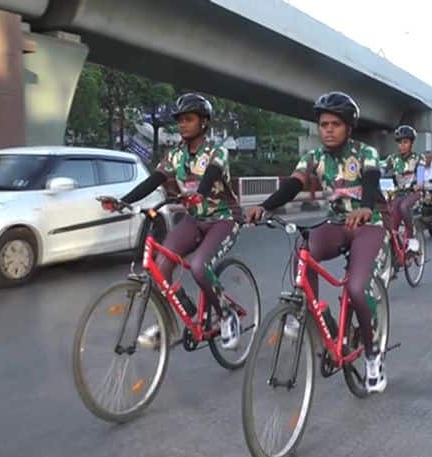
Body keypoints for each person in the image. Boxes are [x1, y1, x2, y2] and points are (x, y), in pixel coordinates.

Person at [245, 91, 388, 393]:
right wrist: (266, 206)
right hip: (337, 225)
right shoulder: (313, 158)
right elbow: (293, 184)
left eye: (336, 124)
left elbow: (372, 179)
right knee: (304, 253)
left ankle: (374, 356)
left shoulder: (366, 153)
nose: (328, 129)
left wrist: (366, 205)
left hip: (367, 227)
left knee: (355, 287)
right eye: (324, 124)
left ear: (349, 127)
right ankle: (310, 311)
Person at [100, 93, 242, 349]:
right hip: (194, 219)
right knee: (160, 267)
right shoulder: (175, 155)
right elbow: (153, 180)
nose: (182, 124)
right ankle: (177, 317)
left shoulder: (216, 152)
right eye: (179, 120)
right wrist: (123, 201)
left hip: (224, 219)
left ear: (204, 122)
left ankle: (226, 314)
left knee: (199, 266)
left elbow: (211, 175)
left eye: (188, 119)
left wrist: (198, 194)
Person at [384, 125, 423, 251]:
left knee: (404, 207)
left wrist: (419, 183)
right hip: (397, 194)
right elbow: (384, 174)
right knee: (391, 221)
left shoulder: (418, 158)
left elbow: (421, 175)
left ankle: (411, 238)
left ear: (411, 143)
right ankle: (395, 252)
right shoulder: (392, 159)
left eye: (405, 142)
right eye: (399, 142)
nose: (402, 145)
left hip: (413, 193)